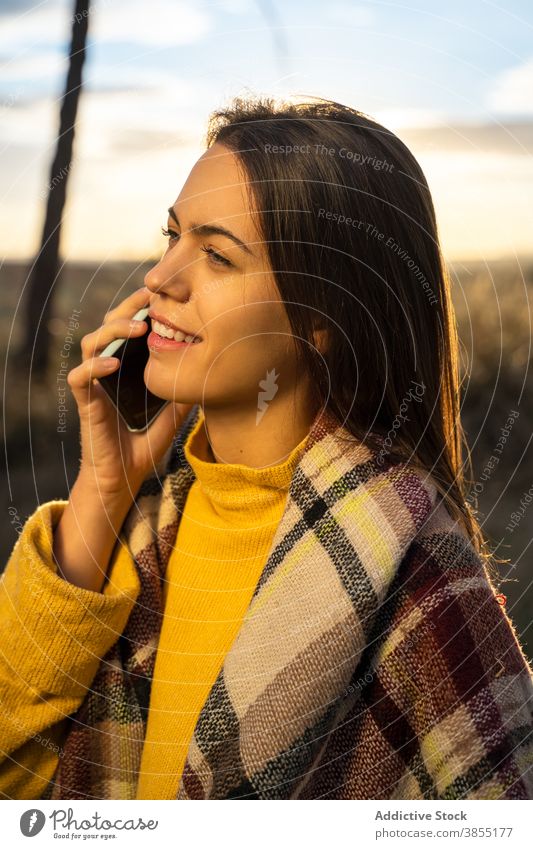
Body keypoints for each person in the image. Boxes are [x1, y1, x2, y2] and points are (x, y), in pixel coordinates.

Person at [1, 95, 532, 801]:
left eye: (217, 255)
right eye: (172, 235)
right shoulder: (138, 544)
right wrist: (102, 488)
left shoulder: (426, 586)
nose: (161, 278)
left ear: (323, 317)